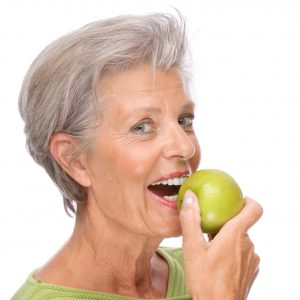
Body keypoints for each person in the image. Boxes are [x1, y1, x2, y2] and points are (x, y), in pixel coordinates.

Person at [12, 12, 263, 300]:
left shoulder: (206, 270)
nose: (184, 147)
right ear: (75, 159)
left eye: (184, 120)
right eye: (142, 126)